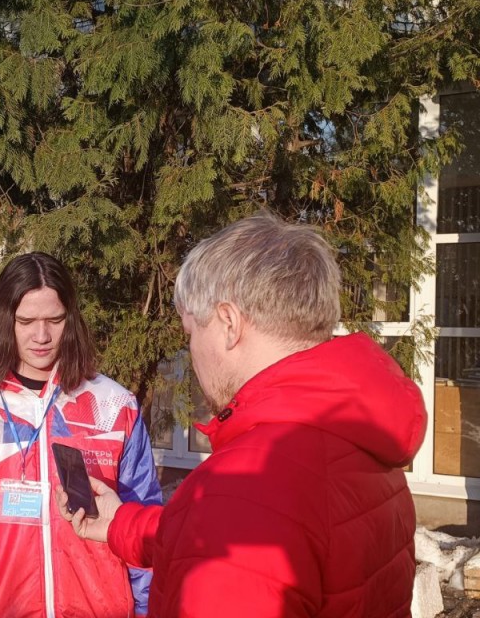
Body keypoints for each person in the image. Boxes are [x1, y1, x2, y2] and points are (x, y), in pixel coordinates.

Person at [59, 212, 427, 617]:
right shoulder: (357, 440)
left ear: (229, 323)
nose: (192, 353)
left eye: (190, 333)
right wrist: (119, 523)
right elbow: (243, 540)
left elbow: (237, 530)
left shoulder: (246, 488)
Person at [0, 252, 162, 618]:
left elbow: (142, 533)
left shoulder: (113, 407)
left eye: (54, 320)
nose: (41, 336)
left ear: (70, 320)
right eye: (26, 321)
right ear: (4, 320)